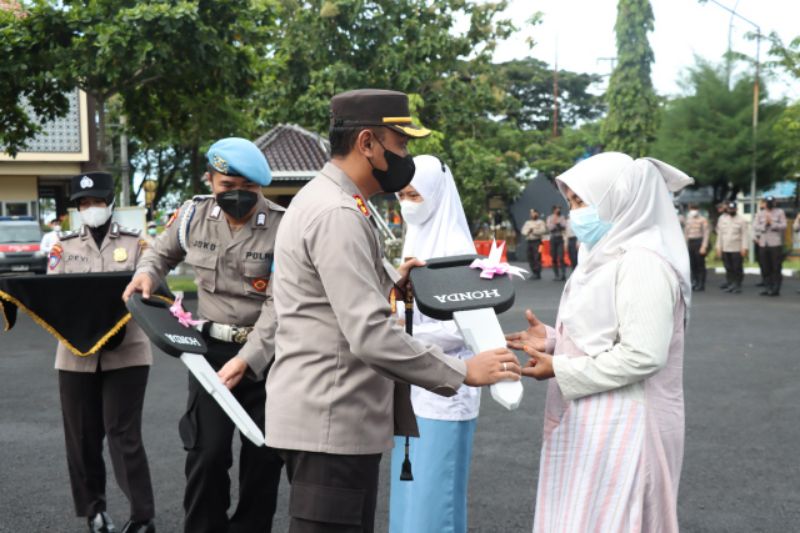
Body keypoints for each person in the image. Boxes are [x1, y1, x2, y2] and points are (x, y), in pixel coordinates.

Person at [264, 89, 521, 533]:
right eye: (400, 144)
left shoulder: (331, 201)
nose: (405, 158)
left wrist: (391, 287)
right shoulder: (337, 213)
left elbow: (331, 301)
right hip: (332, 420)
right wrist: (462, 372)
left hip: (330, 415)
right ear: (367, 142)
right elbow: (369, 335)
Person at [506, 153, 692, 532]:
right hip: (600, 419)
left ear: (618, 199)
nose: (576, 214)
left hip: (631, 424)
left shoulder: (643, 263)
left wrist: (560, 367)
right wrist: (556, 340)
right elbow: (604, 333)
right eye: (571, 202)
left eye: (580, 202)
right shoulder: (600, 255)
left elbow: (643, 354)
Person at [123, 138, 285, 533]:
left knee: (264, 456)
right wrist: (146, 273)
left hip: (266, 356)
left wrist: (249, 357)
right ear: (210, 180)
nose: (238, 196)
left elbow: (282, 303)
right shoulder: (193, 217)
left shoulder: (283, 225)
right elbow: (159, 254)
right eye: (228, 187)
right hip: (209, 353)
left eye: (248, 189)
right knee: (207, 453)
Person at [49, 172, 155, 533]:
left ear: (110, 202)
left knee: (124, 433)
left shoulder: (138, 244)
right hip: (75, 355)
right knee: (81, 436)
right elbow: (54, 301)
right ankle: (94, 511)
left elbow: (154, 291)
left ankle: (142, 516)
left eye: (95, 202)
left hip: (128, 352)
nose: (89, 209)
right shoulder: (63, 247)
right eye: (82, 203)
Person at [389, 155, 480, 533]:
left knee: (434, 500)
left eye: (415, 195)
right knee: (409, 497)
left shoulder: (457, 248)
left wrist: (399, 335)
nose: (409, 204)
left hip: (445, 390)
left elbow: (464, 328)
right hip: (411, 386)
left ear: (437, 193)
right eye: (402, 196)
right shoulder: (417, 236)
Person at [752, 195, 787, 296]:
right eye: (768, 202)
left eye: (772, 202)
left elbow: (784, 226)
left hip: (775, 243)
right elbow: (755, 226)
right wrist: (765, 225)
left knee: (776, 267)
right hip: (763, 243)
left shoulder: (780, 212)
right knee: (765, 266)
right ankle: (767, 287)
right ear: (765, 203)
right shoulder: (760, 213)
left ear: (775, 203)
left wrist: (772, 223)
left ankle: (775, 289)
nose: (770, 204)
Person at [715, 201, 748, 294]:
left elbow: (745, 235)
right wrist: (718, 247)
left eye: (733, 209)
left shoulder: (741, 220)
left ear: (736, 209)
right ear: (727, 209)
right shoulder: (722, 219)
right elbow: (720, 234)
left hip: (737, 248)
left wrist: (744, 247)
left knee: (737, 267)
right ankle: (730, 284)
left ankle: (737, 285)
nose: (731, 210)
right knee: (728, 267)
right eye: (730, 209)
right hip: (725, 247)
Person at [684, 203, 710, 291]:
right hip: (690, 243)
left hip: (699, 242)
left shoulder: (702, 219)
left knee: (700, 264)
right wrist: (685, 245)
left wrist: (704, 246)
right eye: (692, 208)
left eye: (694, 208)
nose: (693, 210)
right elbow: (686, 233)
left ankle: (701, 283)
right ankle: (694, 282)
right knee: (692, 264)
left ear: (698, 209)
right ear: (689, 208)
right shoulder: (688, 219)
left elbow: (706, 233)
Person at [520, 209, 547, 279]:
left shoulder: (540, 222)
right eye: (532, 213)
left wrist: (533, 230)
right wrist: (529, 231)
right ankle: (534, 272)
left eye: (534, 213)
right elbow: (523, 231)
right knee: (530, 257)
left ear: (537, 214)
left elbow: (543, 230)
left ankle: (538, 272)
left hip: (538, 242)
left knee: (537, 257)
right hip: (529, 242)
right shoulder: (527, 222)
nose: (533, 215)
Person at [546, 205, 567, 281]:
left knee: (561, 257)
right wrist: (556, 224)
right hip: (553, 239)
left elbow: (564, 226)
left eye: (559, 209)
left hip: (560, 238)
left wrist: (558, 225)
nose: (559, 210)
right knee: (554, 257)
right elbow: (550, 227)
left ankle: (563, 274)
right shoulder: (550, 218)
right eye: (557, 209)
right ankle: (556, 274)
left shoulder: (562, 217)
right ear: (554, 210)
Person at [753, 199, 767, 287]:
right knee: (761, 261)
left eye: (763, 204)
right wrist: (754, 238)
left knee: (767, 262)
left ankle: (769, 280)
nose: (761, 205)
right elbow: (754, 227)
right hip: (757, 241)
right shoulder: (758, 214)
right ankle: (764, 278)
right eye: (760, 204)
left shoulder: (771, 214)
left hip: (766, 242)